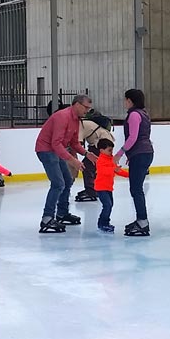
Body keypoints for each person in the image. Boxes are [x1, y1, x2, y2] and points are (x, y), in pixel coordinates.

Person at [35, 94, 90, 233]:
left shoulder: (76, 120)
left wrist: (86, 154)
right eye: (86, 107)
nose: (87, 111)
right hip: (46, 150)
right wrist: (73, 160)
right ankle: (47, 219)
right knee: (58, 183)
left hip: (56, 151)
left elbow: (73, 142)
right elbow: (55, 143)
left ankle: (61, 214)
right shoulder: (62, 117)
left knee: (67, 180)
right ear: (77, 104)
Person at [116, 88, 155, 237]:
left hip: (140, 153)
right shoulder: (143, 113)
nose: (124, 103)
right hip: (143, 152)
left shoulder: (133, 115)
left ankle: (143, 222)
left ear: (130, 100)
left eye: (125, 100)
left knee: (136, 189)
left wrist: (119, 154)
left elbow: (132, 138)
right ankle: (141, 220)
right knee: (136, 189)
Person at [75, 112, 115, 202]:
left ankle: (91, 192)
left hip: (102, 145)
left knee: (86, 166)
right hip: (102, 143)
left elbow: (78, 143)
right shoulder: (83, 123)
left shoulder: (80, 125)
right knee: (91, 167)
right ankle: (94, 189)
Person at [94, 138, 129, 234]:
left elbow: (117, 170)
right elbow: (103, 171)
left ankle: (105, 222)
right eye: (109, 150)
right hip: (101, 188)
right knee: (107, 205)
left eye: (112, 150)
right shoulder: (100, 160)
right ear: (101, 150)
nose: (111, 152)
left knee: (109, 205)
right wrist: (114, 169)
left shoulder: (110, 159)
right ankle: (102, 223)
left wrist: (129, 175)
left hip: (108, 188)